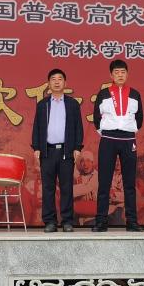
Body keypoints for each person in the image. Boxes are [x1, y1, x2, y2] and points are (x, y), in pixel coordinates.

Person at [92, 59, 144, 232]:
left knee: (129, 182)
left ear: (127, 74)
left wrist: (128, 130)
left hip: (128, 140)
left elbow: (139, 119)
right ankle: (101, 221)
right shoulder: (103, 94)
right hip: (108, 138)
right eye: (116, 72)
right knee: (104, 181)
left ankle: (132, 221)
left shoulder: (135, 94)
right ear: (111, 75)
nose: (120, 75)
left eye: (123, 72)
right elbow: (96, 117)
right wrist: (106, 131)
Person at [31, 68, 84, 233]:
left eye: (60, 79)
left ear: (65, 83)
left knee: (67, 187)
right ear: (48, 83)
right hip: (47, 151)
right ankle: (50, 222)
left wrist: (77, 147)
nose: (56, 82)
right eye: (53, 79)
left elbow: (78, 127)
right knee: (48, 188)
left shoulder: (72, 104)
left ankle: (67, 221)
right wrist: (36, 147)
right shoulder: (43, 104)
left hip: (66, 151)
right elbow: (37, 127)